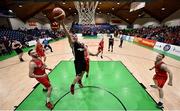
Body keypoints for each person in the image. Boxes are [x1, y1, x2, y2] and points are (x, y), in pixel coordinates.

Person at [61, 21, 98, 95]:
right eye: (73, 37)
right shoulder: (73, 44)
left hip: (83, 61)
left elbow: (87, 52)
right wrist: (63, 25)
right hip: (78, 61)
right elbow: (68, 35)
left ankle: (79, 80)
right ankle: (72, 85)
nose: (74, 37)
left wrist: (95, 54)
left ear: (77, 37)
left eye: (75, 36)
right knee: (78, 75)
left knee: (84, 71)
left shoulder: (81, 44)